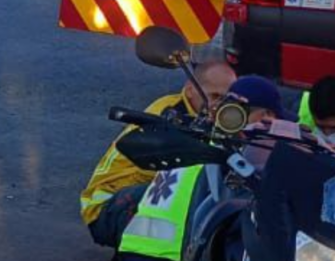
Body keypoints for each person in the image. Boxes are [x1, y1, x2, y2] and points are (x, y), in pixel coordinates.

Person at [113, 76, 288, 261]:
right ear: (265, 115)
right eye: (271, 117)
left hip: (131, 260)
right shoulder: (232, 156)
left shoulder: (200, 137)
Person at [81, 60, 237, 248]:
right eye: (214, 96)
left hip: (140, 192)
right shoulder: (169, 114)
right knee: (178, 206)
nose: (220, 105)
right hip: (107, 204)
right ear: (190, 90)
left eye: (227, 99)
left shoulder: (221, 116)